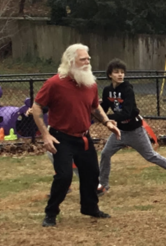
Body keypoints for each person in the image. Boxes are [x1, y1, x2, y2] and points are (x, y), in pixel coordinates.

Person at [29, 44, 121, 227]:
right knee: (64, 176)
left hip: (83, 138)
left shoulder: (90, 84)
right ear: (71, 61)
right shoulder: (54, 84)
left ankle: (90, 207)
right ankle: (51, 213)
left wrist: (107, 122)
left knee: (93, 174)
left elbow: (94, 106)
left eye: (88, 59)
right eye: (83, 59)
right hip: (60, 137)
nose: (87, 62)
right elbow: (36, 107)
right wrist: (45, 135)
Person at [97, 59, 166, 195]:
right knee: (105, 154)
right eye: (116, 72)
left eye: (122, 72)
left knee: (151, 156)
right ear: (110, 74)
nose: (120, 75)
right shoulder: (107, 91)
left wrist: (107, 119)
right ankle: (103, 185)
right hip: (120, 131)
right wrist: (94, 113)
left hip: (135, 131)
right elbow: (103, 110)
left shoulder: (128, 90)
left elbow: (126, 113)